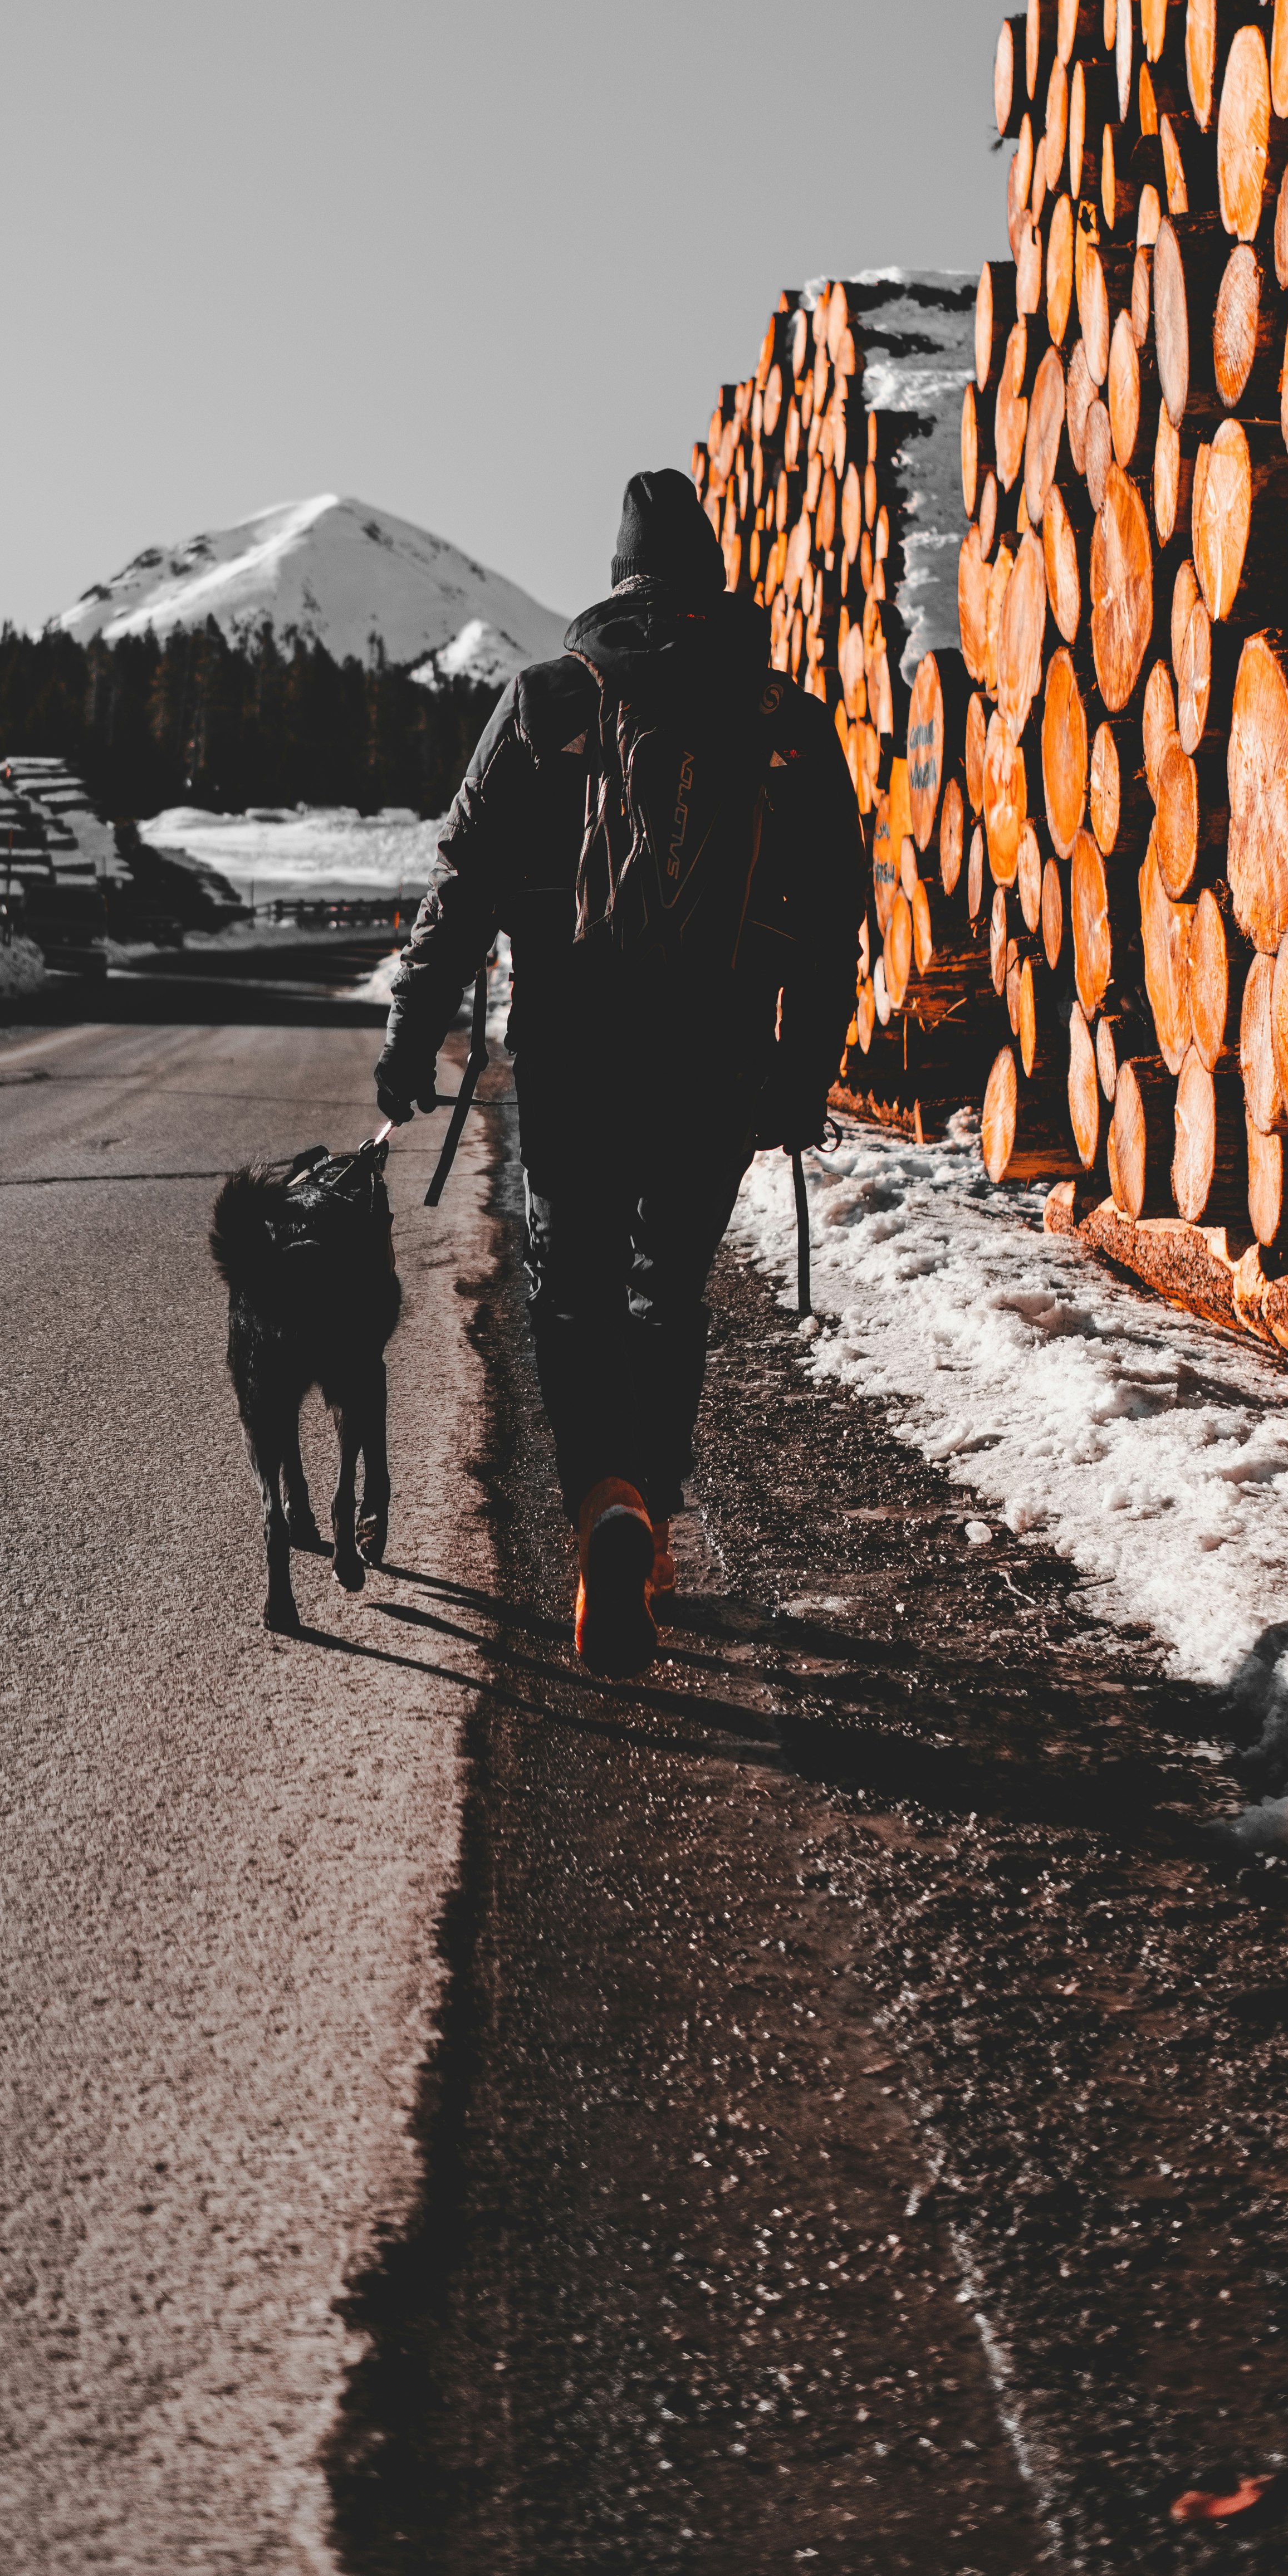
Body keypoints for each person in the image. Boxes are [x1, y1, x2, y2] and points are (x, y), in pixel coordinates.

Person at [375, 467, 869, 1678]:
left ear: (614, 580)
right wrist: (801, 1074)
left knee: (572, 1289)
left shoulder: (547, 698)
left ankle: (601, 1499)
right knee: (670, 1295)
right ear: (711, 582)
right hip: (717, 1059)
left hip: (573, 1055)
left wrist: (411, 1031)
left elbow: (463, 881)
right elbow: (833, 916)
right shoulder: (784, 721)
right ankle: (647, 1512)